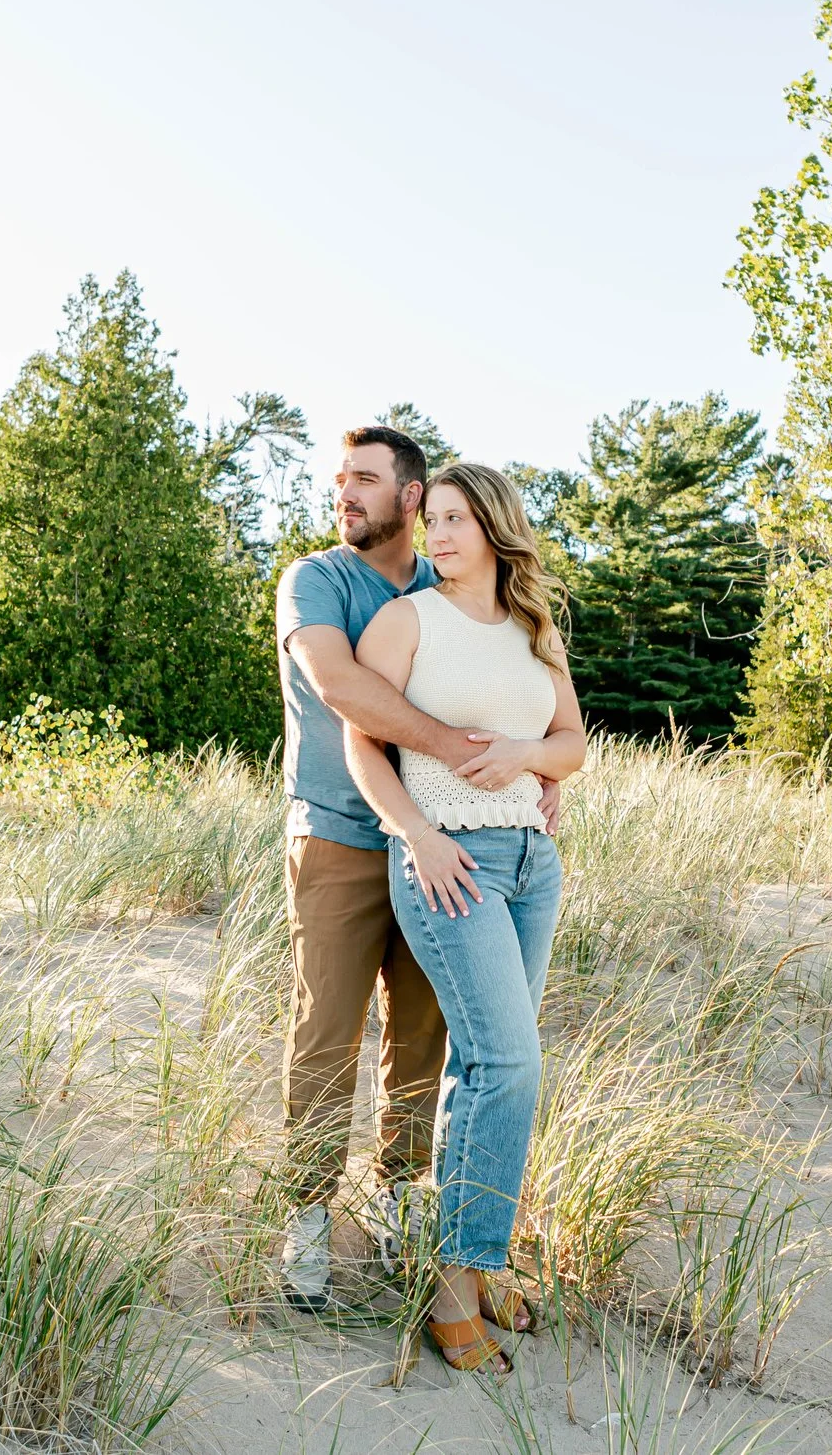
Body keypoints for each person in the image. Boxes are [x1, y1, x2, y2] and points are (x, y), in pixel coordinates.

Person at [272, 426, 560, 1310]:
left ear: (411, 495)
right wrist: (470, 750)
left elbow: (511, 687)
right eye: (339, 480)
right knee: (327, 1032)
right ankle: (307, 1214)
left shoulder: (449, 587)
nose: (344, 493)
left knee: (427, 1042)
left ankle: (399, 1200)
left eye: (364, 479)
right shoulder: (318, 580)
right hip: (344, 835)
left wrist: (537, 769)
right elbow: (341, 689)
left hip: (453, 850)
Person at [343, 462, 587, 1375]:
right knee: (508, 1060)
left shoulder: (535, 629)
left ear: (494, 526)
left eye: (453, 518)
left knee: (488, 1071)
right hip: (450, 862)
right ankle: (455, 1289)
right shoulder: (409, 620)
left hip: (531, 864)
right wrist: (416, 833)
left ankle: (473, 1265)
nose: (436, 534)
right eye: (430, 518)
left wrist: (531, 754)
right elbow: (360, 739)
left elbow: (573, 743)